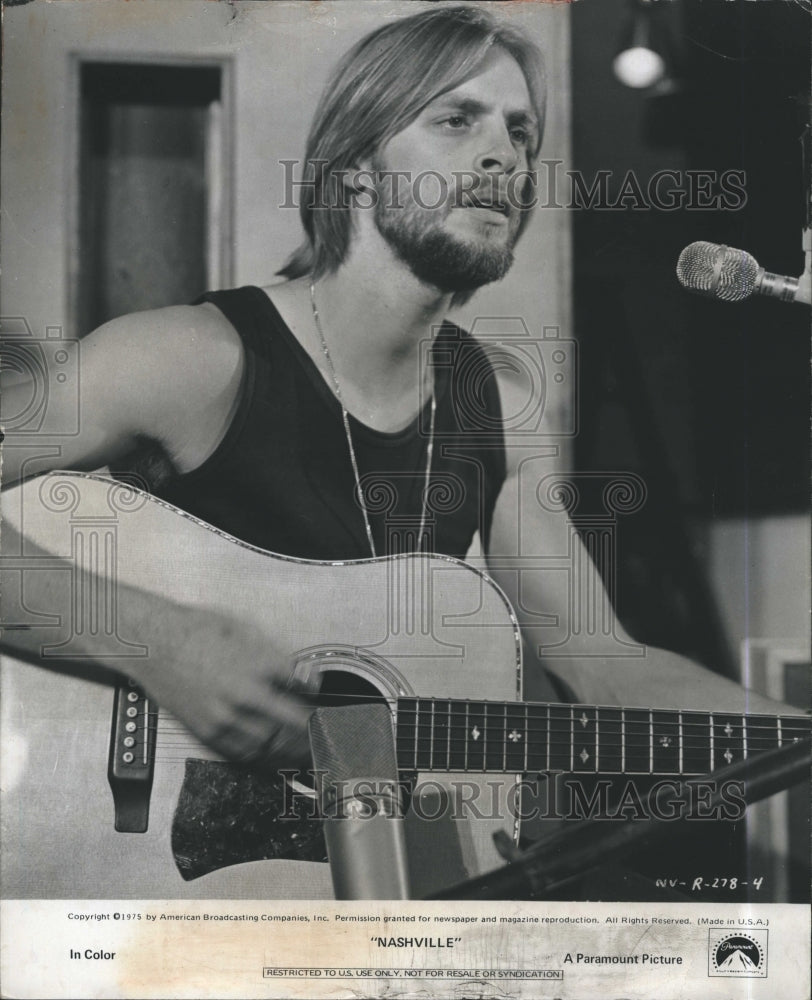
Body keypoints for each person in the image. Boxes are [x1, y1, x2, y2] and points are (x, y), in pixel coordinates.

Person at [0, 7, 800, 801]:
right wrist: (158, 641)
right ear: (356, 163)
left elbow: (605, 666)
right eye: (457, 120)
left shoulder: (501, 411)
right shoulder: (190, 357)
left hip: (363, 862)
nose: (506, 157)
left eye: (521, 132)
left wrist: (801, 745)